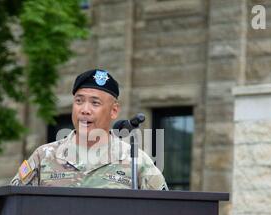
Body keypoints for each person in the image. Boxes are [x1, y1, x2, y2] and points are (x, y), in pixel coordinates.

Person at [10, 69, 168, 190]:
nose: (84, 110)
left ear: (114, 111)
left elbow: (163, 213)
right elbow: (13, 205)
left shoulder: (136, 162)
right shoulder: (44, 156)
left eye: (95, 103)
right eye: (79, 101)